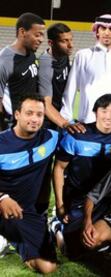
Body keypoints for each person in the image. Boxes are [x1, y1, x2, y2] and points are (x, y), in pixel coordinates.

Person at [52, 94, 111, 256]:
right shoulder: (77, 136)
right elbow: (59, 169)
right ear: (95, 112)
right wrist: (60, 204)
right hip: (77, 201)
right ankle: (56, 226)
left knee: (94, 242)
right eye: (104, 111)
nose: (109, 116)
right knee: (73, 250)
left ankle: (107, 236)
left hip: (105, 200)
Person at [0, 94, 58, 273]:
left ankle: (13, 238)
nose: (34, 119)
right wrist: (2, 197)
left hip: (29, 213)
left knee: (47, 267)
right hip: (2, 207)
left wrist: (110, 127)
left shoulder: (51, 137)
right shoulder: (1, 143)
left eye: (39, 114)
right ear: (17, 114)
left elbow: (83, 137)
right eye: (29, 113)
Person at [61, 14, 111, 137]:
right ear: (97, 31)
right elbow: (70, 91)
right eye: (103, 28)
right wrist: (66, 121)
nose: (107, 32)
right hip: (87, 123)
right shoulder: (83, 56)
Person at [0, 13, 45, 130]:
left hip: (32, 120)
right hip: (14, 124)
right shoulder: (5, 60)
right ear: (22, 32)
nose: (41, 40)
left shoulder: (31, 53)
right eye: (37, 35)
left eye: (42, 35)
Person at [38, 23, 84, 133]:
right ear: (51, 43)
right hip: (49, 119)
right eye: (64, 41)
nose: (71, 45)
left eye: (71, 40)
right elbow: (46, 104)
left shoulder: (64, 54)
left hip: (62, 113)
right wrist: (65, 123)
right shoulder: (46, 66)